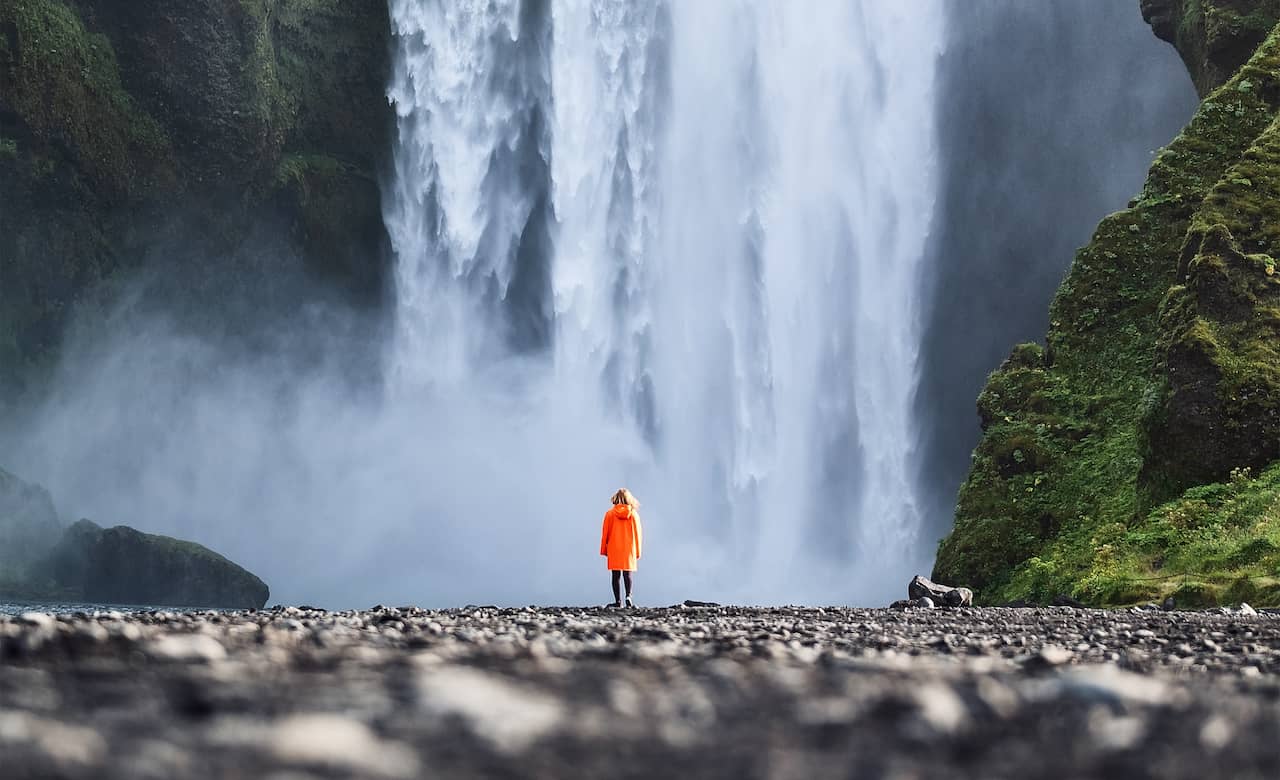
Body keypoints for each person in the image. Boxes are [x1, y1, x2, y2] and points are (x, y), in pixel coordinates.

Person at [600, 488, 643, 608]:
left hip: (614, 548)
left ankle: (618, 601)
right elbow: (638, 534)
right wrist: (638, 551)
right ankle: (628, 596)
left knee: (615, 575)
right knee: (627, 573)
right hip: (629, 548)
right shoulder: (634, 514)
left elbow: (605, 533)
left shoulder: (609, 514)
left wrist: (603, 549)